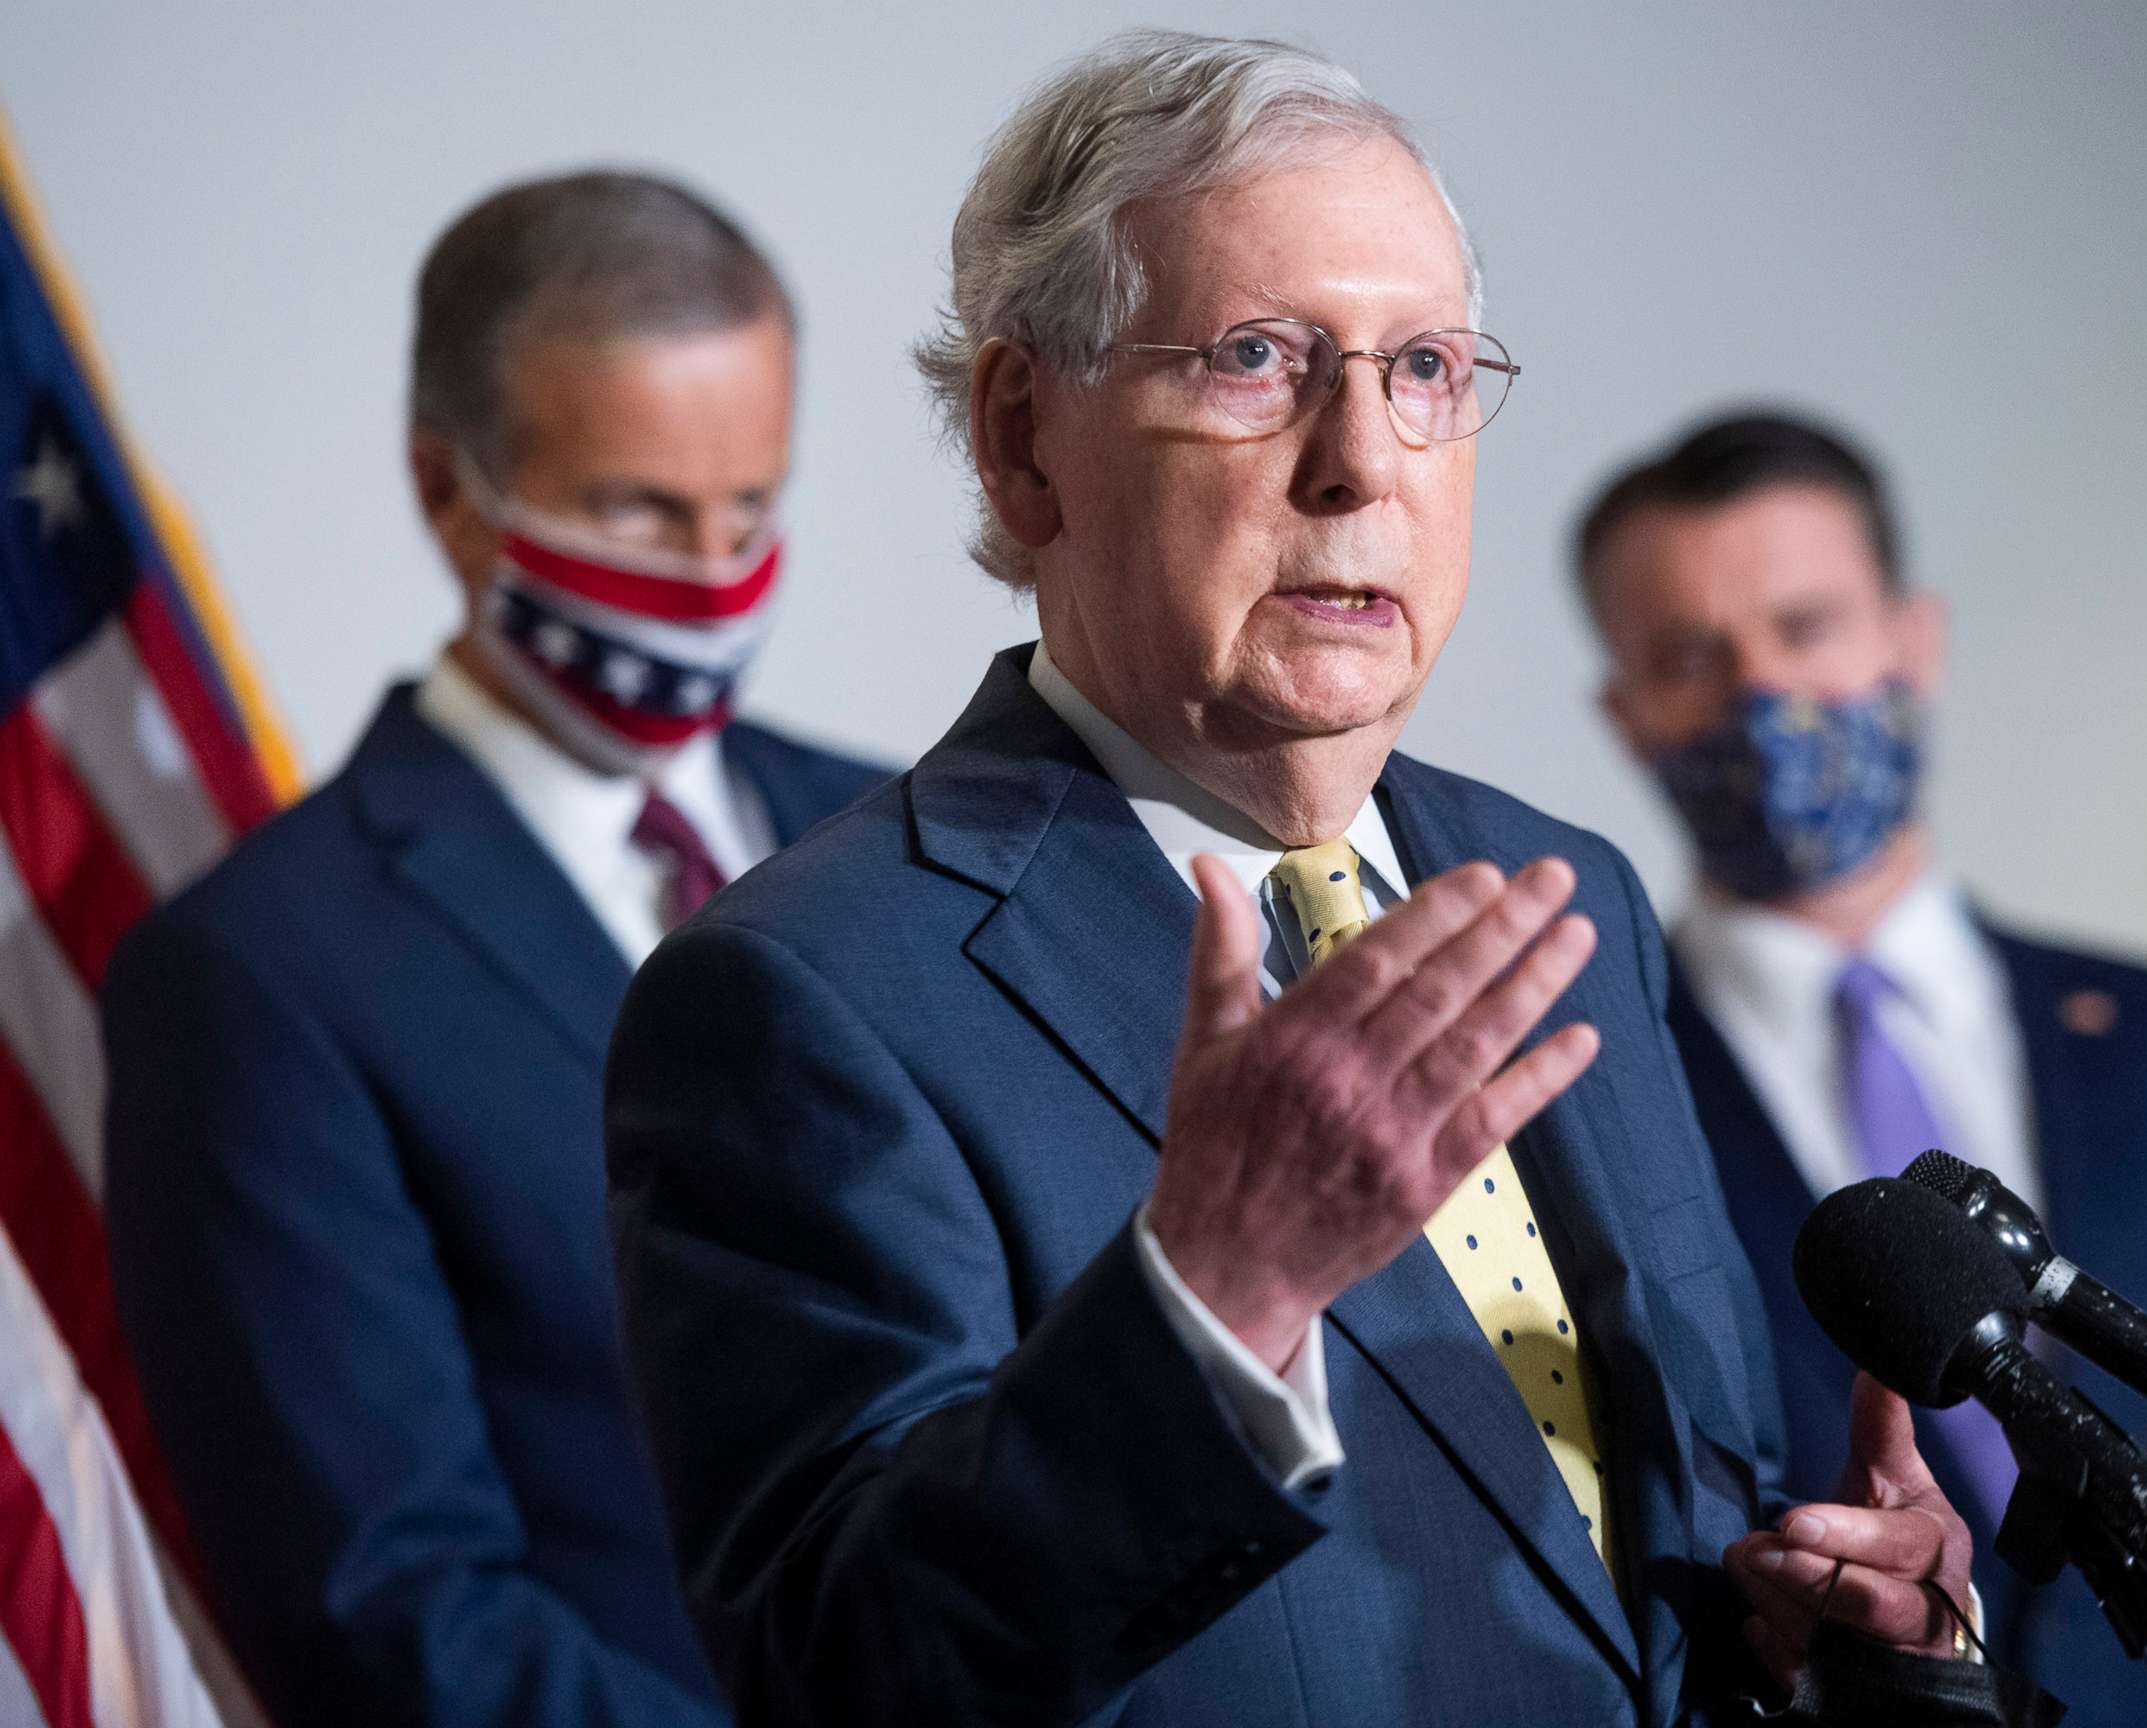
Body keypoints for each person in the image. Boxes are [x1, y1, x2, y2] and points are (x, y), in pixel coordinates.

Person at [603, 34, 2052, 1728]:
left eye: (1425, 366)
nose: (1361, 458)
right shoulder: (807, 995)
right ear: (1022, 439)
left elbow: (1648, 1597)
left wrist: (1859, 1648)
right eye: (1256, 358)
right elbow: (843, 1673)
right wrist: (1215, 1300)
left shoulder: (1556, 894)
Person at [101, 171, 891, 1726]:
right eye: (640, 511)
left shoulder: (908, 837)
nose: (715, 574)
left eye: (753, 507)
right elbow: (391, 1613)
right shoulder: (257, 978)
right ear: (448, 492)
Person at [1582, 410, 2147, 1720]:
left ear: (1915, 638)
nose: (1762, 692)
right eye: (1690, 655)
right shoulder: (1597, 1101)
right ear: (1626, 713)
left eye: (1807, 627)